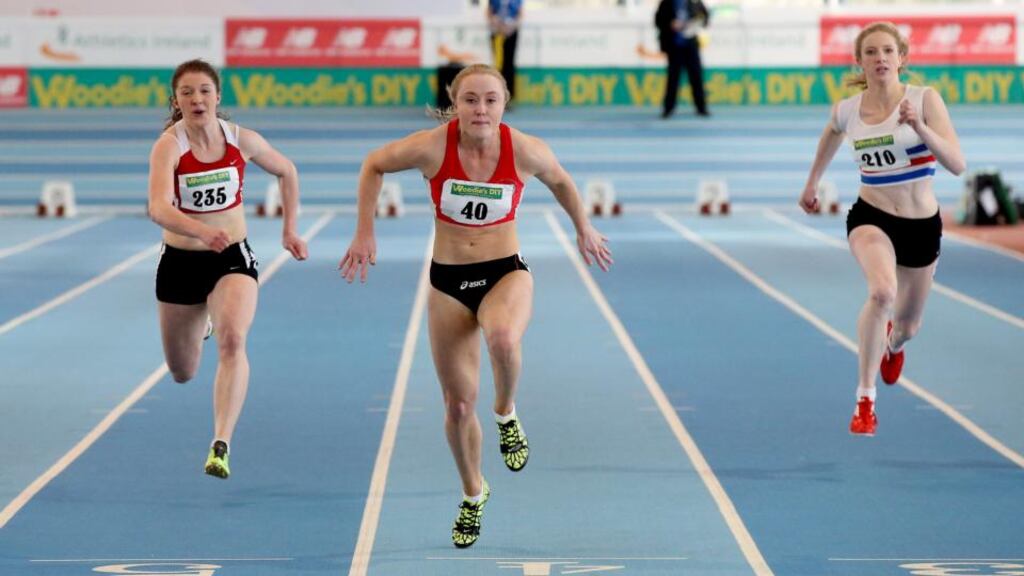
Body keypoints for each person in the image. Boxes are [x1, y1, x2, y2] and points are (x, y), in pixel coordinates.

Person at [339, 63, 612, 548]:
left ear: (504, 103)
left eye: (490, 99)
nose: (480, 109)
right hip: (447, 283)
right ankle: (473, 493)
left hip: (505, 271)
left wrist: (584, 228)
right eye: (470, 100)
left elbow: (563, 182)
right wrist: (365, 231)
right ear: (455, 103)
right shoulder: (431, 146)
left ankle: (506, 413)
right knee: (459, 404)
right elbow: (373, 165)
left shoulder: (524, 149)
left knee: (503, 337)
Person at [798, 22, 965, 436]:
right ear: (860, 61)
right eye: (870, 52)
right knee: (881, 292)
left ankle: (893, 345)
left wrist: (920, 128)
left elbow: (958, 165)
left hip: (921, 225)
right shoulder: (848, 109)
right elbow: (831, 133)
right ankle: (865, 401)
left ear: (902, 59)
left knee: (908, 325)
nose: (880, 59)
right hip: (871, 216)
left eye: (887, 51)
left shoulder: (925, 100)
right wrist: (812, 182)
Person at [147, 59, 308, 478]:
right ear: (176, 101)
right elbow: (158, 207)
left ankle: (221, 443)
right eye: (187, 92)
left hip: (232, 255)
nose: (196, 99)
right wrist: (199, 230)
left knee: (234, 341)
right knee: (183, 372)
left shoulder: (242, 140)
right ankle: (202, 320)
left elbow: (287, 170)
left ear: (218, 97)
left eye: (204, 90)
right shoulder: (170, 145)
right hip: (181, 262)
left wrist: (290, 230)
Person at [655, 0, 710, 119]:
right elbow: (658, 20)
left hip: (691, 46)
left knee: (696, 76)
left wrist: (695, 24)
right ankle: (668, 108)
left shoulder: (695, 2)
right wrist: (671, 24)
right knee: (673, 78)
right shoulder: (667, 3)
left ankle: (701, 107)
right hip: (674, 46)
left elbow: (705, 17)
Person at [487, 0, 523, 106]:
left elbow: (520, 14)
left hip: (511, 31)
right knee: (498, 65)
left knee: (509, 64)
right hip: (496, 32)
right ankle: (495, 95)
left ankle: (509, 97)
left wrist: (512, 26)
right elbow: (489, 12)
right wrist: (495, 23)